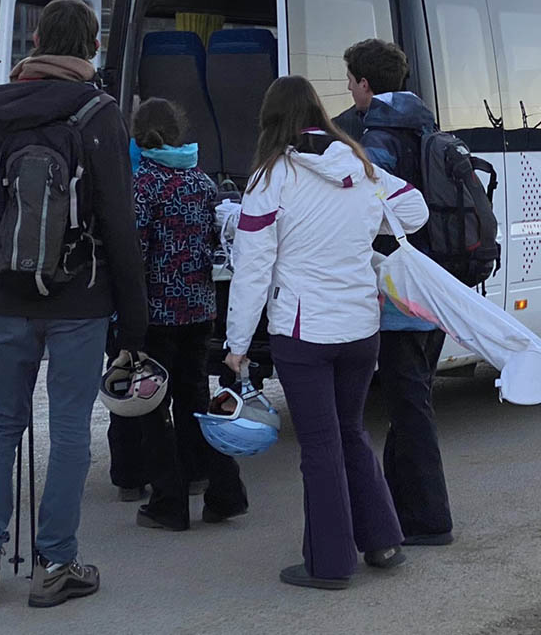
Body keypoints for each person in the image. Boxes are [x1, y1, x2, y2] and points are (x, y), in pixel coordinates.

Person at [0, 0, 148, 609]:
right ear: (92, 47)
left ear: (35, 42)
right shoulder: (99, 112)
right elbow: (119, 221)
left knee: (0, 425)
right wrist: (134, 317)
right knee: (69, 431)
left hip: (7, 294)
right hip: (80, 297)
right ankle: (55, 565)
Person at [224, 76, 429, 590]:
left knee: (318, 445)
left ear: (270, 121)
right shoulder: (357, 166)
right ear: (319, 112)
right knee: (351, 431)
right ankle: (382, 541)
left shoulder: (269, 179)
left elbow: (252, 270)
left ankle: (329, 563)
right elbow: (414, 210)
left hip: (303, 332)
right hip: (362, 328)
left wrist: (238, 346)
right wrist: (361, 227)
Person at [335, 39, 455, 547]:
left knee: (409, 406)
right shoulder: (426, 125)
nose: (347, 89)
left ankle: (429, 520)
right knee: (411, 403)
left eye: (349, 80)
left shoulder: (379, 139)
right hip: (435, 282)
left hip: (402, 293)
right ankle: (400, 513)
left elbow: (369, 212)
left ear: (365, 84)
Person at [121, 97, 248, 532]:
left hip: (156, 314)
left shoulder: (142, 184)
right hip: (199, 308)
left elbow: (134, 254)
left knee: (152, 409)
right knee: (195, 400)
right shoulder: (199, 180)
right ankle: (223, 490)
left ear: (138, 135)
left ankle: (168, 504)